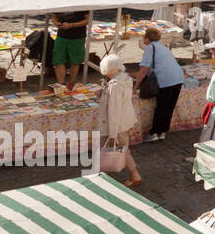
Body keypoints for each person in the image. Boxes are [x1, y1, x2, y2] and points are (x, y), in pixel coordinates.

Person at [100, 54, 142, 187]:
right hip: (124, 120)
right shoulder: (124, 79)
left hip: (118, 124)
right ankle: (101, 172)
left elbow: (114, 110)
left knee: (123, 149)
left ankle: (135, 175)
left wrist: (113, 132)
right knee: (120, 148)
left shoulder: (115, 85)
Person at [136, 27, 184, 143]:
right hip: (177, 78)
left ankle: (154, 133)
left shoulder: (150, 48)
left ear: (147, 38)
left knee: (161, 106)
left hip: (166, 80)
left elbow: (144, 69)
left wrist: (136, 85)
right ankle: (162, 132)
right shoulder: (162, 47)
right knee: (169, 107)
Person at [51, 11, 90, 88]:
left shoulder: (82, 4)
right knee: (58, 60)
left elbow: (87, 20)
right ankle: (61, 85)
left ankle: (71, 83)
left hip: (77, 37)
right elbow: (54, 16)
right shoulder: (59, 1)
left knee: (75, 61)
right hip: (61, 36)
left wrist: (71, 25)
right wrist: (57, 23)